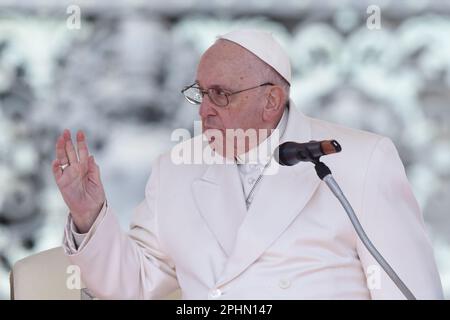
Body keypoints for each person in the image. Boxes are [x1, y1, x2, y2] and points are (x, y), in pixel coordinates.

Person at [52, 29, 443, 299]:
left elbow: (408, 288)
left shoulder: (360, 159)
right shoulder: (176, 169)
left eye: (220, 94)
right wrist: (89, 215)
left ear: (271, 101)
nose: (204, 110)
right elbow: (133, 283)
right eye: (200, 93)